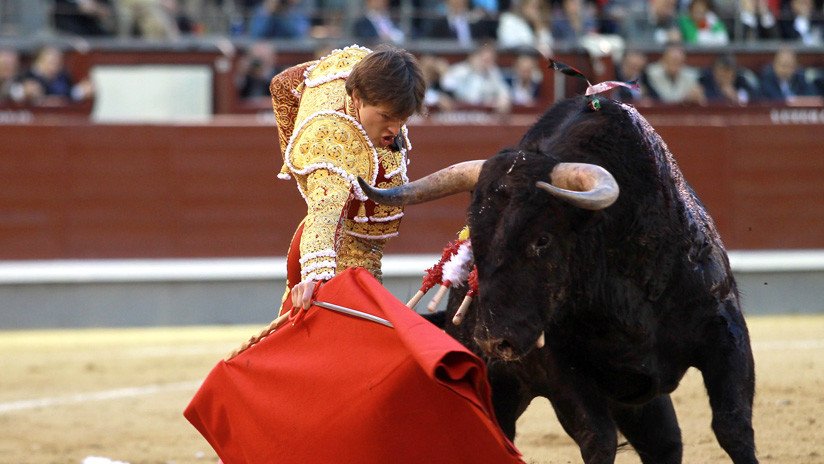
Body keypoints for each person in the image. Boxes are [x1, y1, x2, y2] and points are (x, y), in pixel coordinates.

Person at [269, 45, 425, 311]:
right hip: (338, 259)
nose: (396, 129)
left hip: (359, 256)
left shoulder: (362, 69)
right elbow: (325, 213)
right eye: (386, 116)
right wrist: (317, 276)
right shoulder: (332, 141)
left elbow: (284, 82)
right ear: (356, 98)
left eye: (403, 119)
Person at [440, 42, 512, 113]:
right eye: (485, 59)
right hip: (460, 112)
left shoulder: (493, 72)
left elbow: (504, 92)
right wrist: (476, 72)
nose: (487, 63)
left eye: (490, 59)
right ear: (475, 56)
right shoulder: (460, 70)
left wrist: (504, 100)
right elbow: (447, 87)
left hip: (483, 114)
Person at [19, 46, 94, 105]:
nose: (54, 66)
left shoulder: (64, 77)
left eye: (57, 63)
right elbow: (13, 93)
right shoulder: (26, 76)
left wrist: (81, 91)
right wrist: (24, 91)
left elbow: (71, 94)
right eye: (50, 62)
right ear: (38, 61)